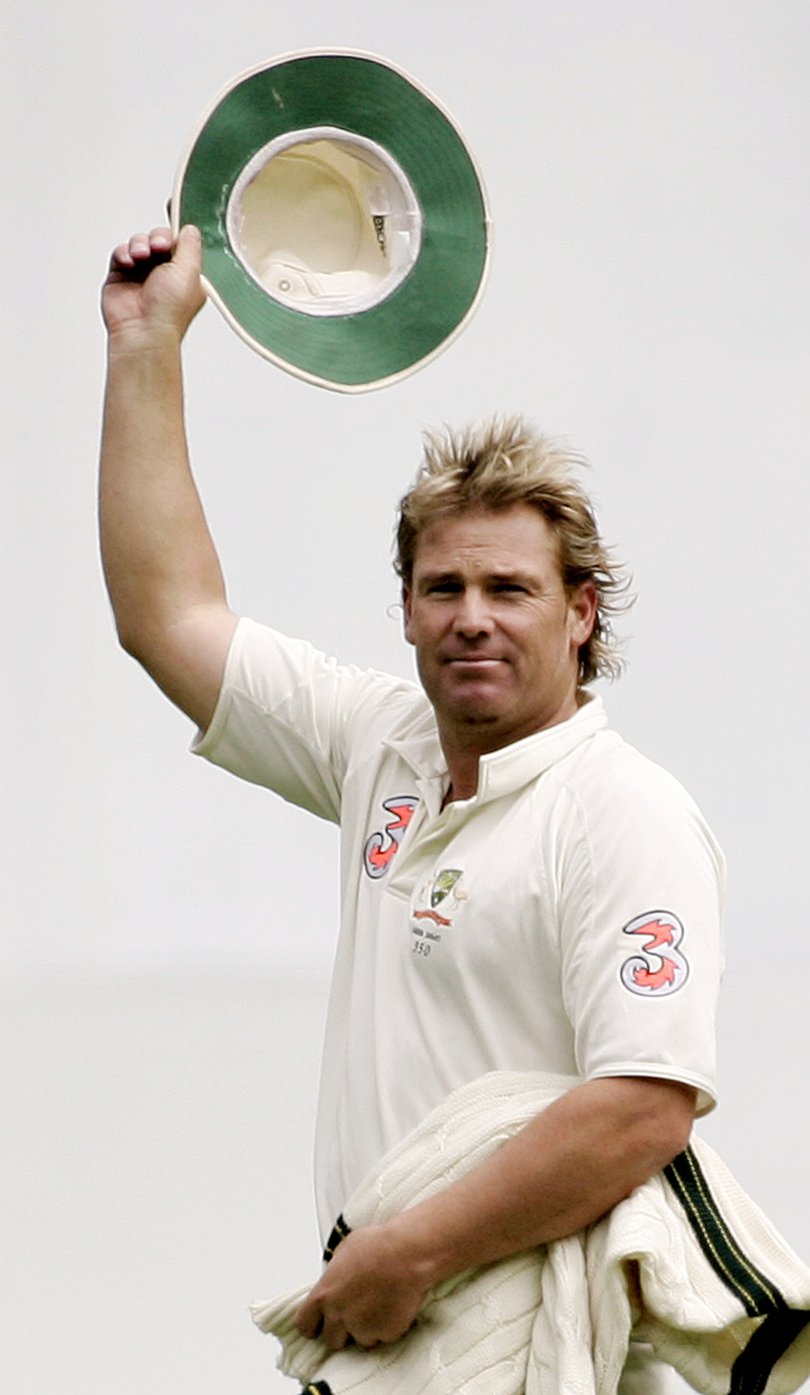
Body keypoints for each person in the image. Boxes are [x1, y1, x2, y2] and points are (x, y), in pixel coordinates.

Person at [100, 227, 725, 1381]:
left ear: (580, 612)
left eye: (510, 588)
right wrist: (148, 345)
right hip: (396, 1325)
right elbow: (167, 618)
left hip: (516, 1333)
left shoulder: (622, 811)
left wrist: (411, 1255)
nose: (472, 616)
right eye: (444, 587)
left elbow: (645, 1107)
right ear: (404, 608)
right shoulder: (383, 745)